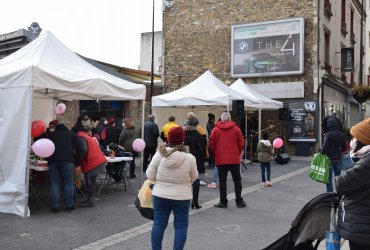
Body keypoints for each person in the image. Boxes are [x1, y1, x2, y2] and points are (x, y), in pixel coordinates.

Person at [146, 126, 198, 250]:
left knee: (158, 224)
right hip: (182, 196)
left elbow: (149, 175)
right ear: (182, 140)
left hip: (160, 195)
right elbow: (194, 178)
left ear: (168, 139)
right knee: (181, 226)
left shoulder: (159, 154)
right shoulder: (190, 158)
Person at [335, 118, 370, 249]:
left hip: (363, 230)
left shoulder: (368, 162)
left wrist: (353, 160)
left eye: (355, 138)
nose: (352, 141)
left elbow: (341, 184)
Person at [209, 112, 246, 208]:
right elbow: (241, 143)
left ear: (221, 119)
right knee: (237, 181)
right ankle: (239, 201)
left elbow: (211, 144)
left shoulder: (215, 130)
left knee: (222, 181)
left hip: (221, 159)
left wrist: (216, 153)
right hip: (234, 158)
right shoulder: (236, 129)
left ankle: (223, 201)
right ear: (229, 119)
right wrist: (236, 152)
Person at [46, 122, 83, 213]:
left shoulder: (51, 135)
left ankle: (55, 207)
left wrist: (48, 159)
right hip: (68, 161)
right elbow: (80, 148)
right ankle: (69, 205)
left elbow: (46, 149)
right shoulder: (71, 134)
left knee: (55, 183)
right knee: (68, 183)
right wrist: (77, 162)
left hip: (53, 161)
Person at [73, 112, 107, 207]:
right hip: (97, 160)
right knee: (91, 181)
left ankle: (90, 201)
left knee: (89, 181)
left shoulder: (79, 136)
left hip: (92, 161)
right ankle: (90, 199)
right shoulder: (85, 135)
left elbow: (83, 149)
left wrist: (77, 161)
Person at [184, 117, 206, 209]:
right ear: (196, 125)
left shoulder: (183, 133)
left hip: (183, 159)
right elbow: (202, 149)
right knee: (195, 180)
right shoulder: (197, 135)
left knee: (183, 180)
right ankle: (195, 202)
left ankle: (184, 201)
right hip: (195, 160)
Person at [320, 116, 347, 192]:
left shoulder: (328, 134)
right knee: (338, 178)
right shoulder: (341, 134)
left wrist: (320, 155)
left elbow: (325, 147)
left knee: (328, 179)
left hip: (328, 159)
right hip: (338, 159)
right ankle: (339, 193)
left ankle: (330, 195)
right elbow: (344, 148)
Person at [206, 113, 218, 189]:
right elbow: (211, 131)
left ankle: (212, 162)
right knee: (211, 152)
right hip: (211, 139)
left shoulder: (212, 123)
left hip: (213, 139)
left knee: (213, 152)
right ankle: (211, 163)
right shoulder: (208, 124)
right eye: (213, 118)